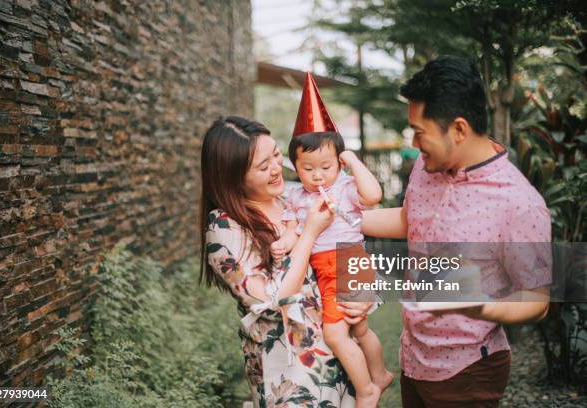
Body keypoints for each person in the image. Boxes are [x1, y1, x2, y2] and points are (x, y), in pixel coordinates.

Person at [361, 55, 551, 407]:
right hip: (414, 356)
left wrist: (480, 307)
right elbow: (410, 219)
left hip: (469, 372)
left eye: (420, 132)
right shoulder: (427, 164)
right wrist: (343, 218)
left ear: (459, 129)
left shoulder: (519, 203)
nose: (414, 143)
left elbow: (537, 302)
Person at [200, 115, 368, 407]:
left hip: (341, 358)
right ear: (233, 176)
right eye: (263, 166)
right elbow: (271, 301)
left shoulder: (293, 198)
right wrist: (310, 232)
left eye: (276, 155)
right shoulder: (225, 228)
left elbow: (353, 230)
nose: (277, 168)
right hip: (291, 379)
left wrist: (360, 294)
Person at [272, 73, 393, 408]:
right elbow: (296, 228)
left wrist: (353, 162)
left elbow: (373, 196)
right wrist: (284, 239)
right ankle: (380, 374)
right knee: (360, 330)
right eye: (308, 168)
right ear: (295, 167)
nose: (318, 175)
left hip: (348, 260)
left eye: (326, 165)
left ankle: (367, 388)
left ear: (337, 161)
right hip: (327, 266)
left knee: (336, 334)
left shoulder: (344, 186)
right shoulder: (297, 195)